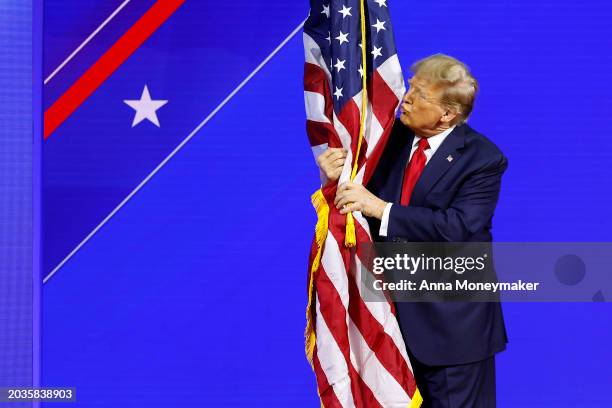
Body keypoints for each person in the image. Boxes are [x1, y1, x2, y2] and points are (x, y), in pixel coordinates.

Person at [317, 54, 508, 407]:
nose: (407, 98)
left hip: (450, 331)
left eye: (420, 95)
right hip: (387, 322)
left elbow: (459, 227)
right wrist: (337, 175)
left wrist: (381, 209)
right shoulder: (386, 140)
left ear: (447, 113)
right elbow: (355, 199)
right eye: (410, 88)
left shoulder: (482, 159)